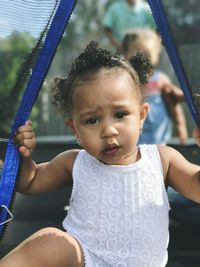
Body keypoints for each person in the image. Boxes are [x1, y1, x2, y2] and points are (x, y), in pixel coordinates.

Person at [1, 41, 200, 267]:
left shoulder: (163, 160)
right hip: (87, 261)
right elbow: (31, 182)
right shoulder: (74, 161)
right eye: (92, 120)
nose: (108, 130)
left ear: (142, 115)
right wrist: (23, 154)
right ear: (75, 128)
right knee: (49, 242)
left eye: (121, 114)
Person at [122, 28, 188, 144]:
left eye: (146, 55)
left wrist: (180, 125)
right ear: (126, 55)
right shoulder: (125, 79)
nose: (141, 59)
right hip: (133, 136)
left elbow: (173, 102)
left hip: (158, 137)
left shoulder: (159, 79)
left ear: (155, 55)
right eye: (136, 55)